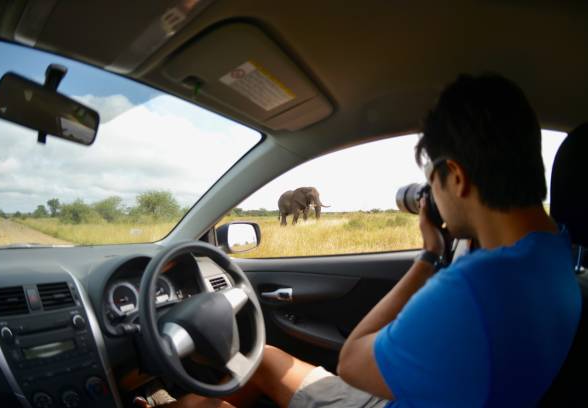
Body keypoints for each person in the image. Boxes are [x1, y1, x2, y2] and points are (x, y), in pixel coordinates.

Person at [136, 74, 581, 407]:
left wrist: (428, 257)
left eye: (434, 186)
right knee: (265, 357)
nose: (432, 200)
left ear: (458, 178)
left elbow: (352, 364)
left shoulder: (475, 284)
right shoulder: (558, 257)